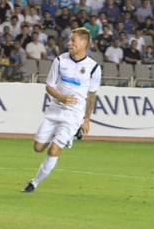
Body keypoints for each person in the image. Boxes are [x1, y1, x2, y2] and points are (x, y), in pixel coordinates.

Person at [22, 28, 101, 192]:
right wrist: (61, 98)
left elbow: (91, 96)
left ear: (84, 43)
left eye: (73, 40)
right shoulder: (60, 60)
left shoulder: (93, 68)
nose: (69, 43)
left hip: (73, 116)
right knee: (38, 148)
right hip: (54, 111)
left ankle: (34, 182)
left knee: (54, 149)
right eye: (70, 39)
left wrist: (86, 120)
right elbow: (49, 86)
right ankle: (63, 136)